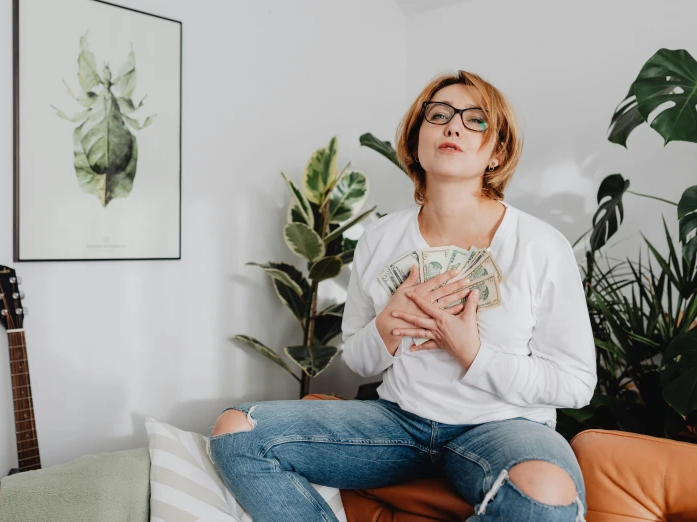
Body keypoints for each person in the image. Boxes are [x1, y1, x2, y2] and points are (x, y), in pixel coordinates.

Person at [208, 70, 597, 522]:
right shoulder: (380, 238)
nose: (453, 126)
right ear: (416, 141)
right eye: (439, 115)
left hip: (504, 427)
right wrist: (385, 329)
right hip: (399, 423)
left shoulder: (539, 245)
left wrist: (472, 353)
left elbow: (575, 383)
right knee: (236, 432)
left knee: (546, 493)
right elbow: (360, 360)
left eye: (475, 120)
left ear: (498, 152)